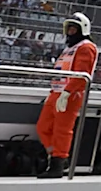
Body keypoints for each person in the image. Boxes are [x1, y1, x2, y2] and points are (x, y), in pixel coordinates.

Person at [33, 11, 97, 174]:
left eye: (74, 29)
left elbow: (82, 74)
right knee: (43, 127)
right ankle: (57, 156)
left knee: (62, 130)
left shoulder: (86, 47)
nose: (70, 32)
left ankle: (58, 163)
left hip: (70, 94)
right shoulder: (70, 48)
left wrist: (67, 92)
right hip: (57, 92)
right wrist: (54, 91)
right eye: (69, 29)